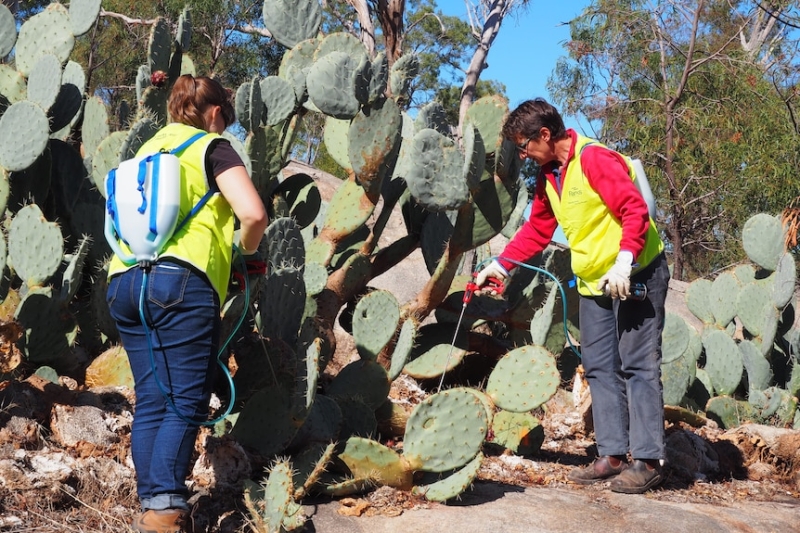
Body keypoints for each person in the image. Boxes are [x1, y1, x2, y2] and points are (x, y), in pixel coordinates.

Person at [476, 98, 670, 494]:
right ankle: (612, 456)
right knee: (599, 365)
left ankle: (648, 460)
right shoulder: (549, 176)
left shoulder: (595, 159)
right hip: (594, 281)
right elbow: (537, 229)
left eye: (525, 145)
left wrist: (625, 261)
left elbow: (634, 210)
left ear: (545, 135)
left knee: (638, 364)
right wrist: (502, 264)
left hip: (636, 271)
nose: (524, 154)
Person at [106, 75, 268, 532]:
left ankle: (154, 506)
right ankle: (165, 514)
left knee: (153, 399)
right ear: (215, 113)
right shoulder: (210, 148)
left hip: (124, 284)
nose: (226, 128)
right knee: (186, 400)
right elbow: (253, 213)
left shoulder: (143, 152)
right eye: (226, 120)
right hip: (181, 284)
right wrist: (246, 252)